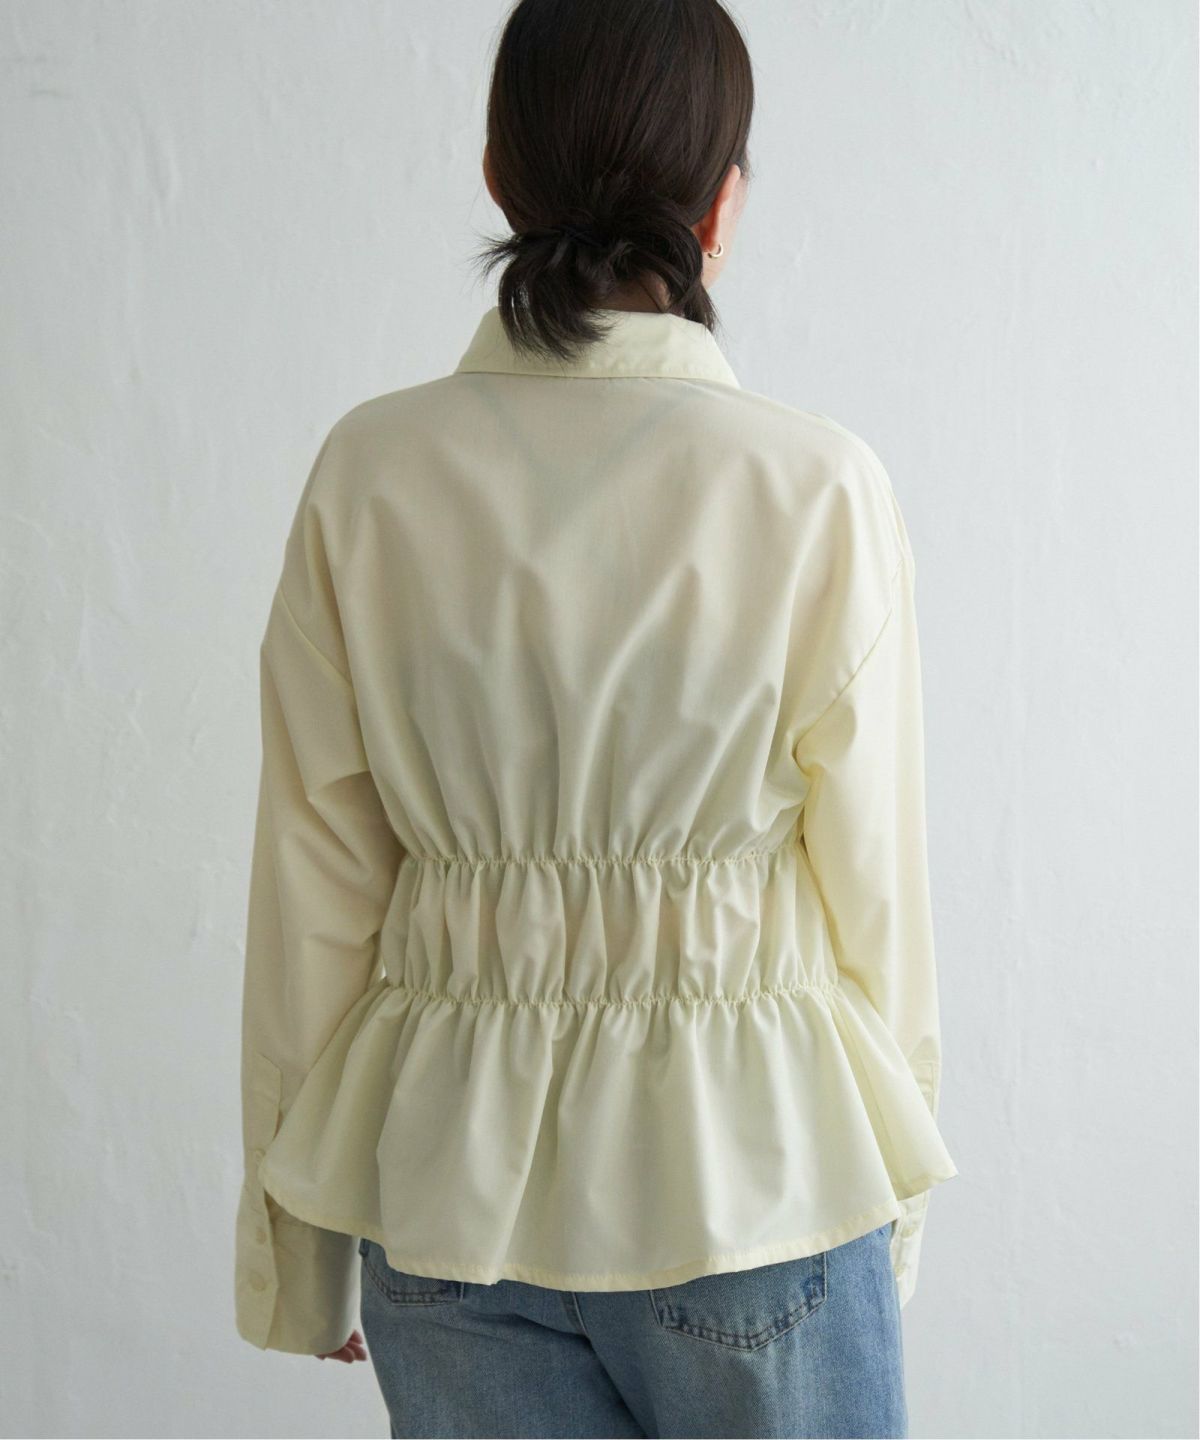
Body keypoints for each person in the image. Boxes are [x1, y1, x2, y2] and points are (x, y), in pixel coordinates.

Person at [232, 0, 958, 1434]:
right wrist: (892, 1206)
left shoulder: (368, 473)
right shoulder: (813, 486)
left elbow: (314, 886)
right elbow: (880, 903)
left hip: (443, 1191)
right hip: (752, 1182)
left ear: (497, 175)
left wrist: (298, 1257)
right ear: (722, 207)